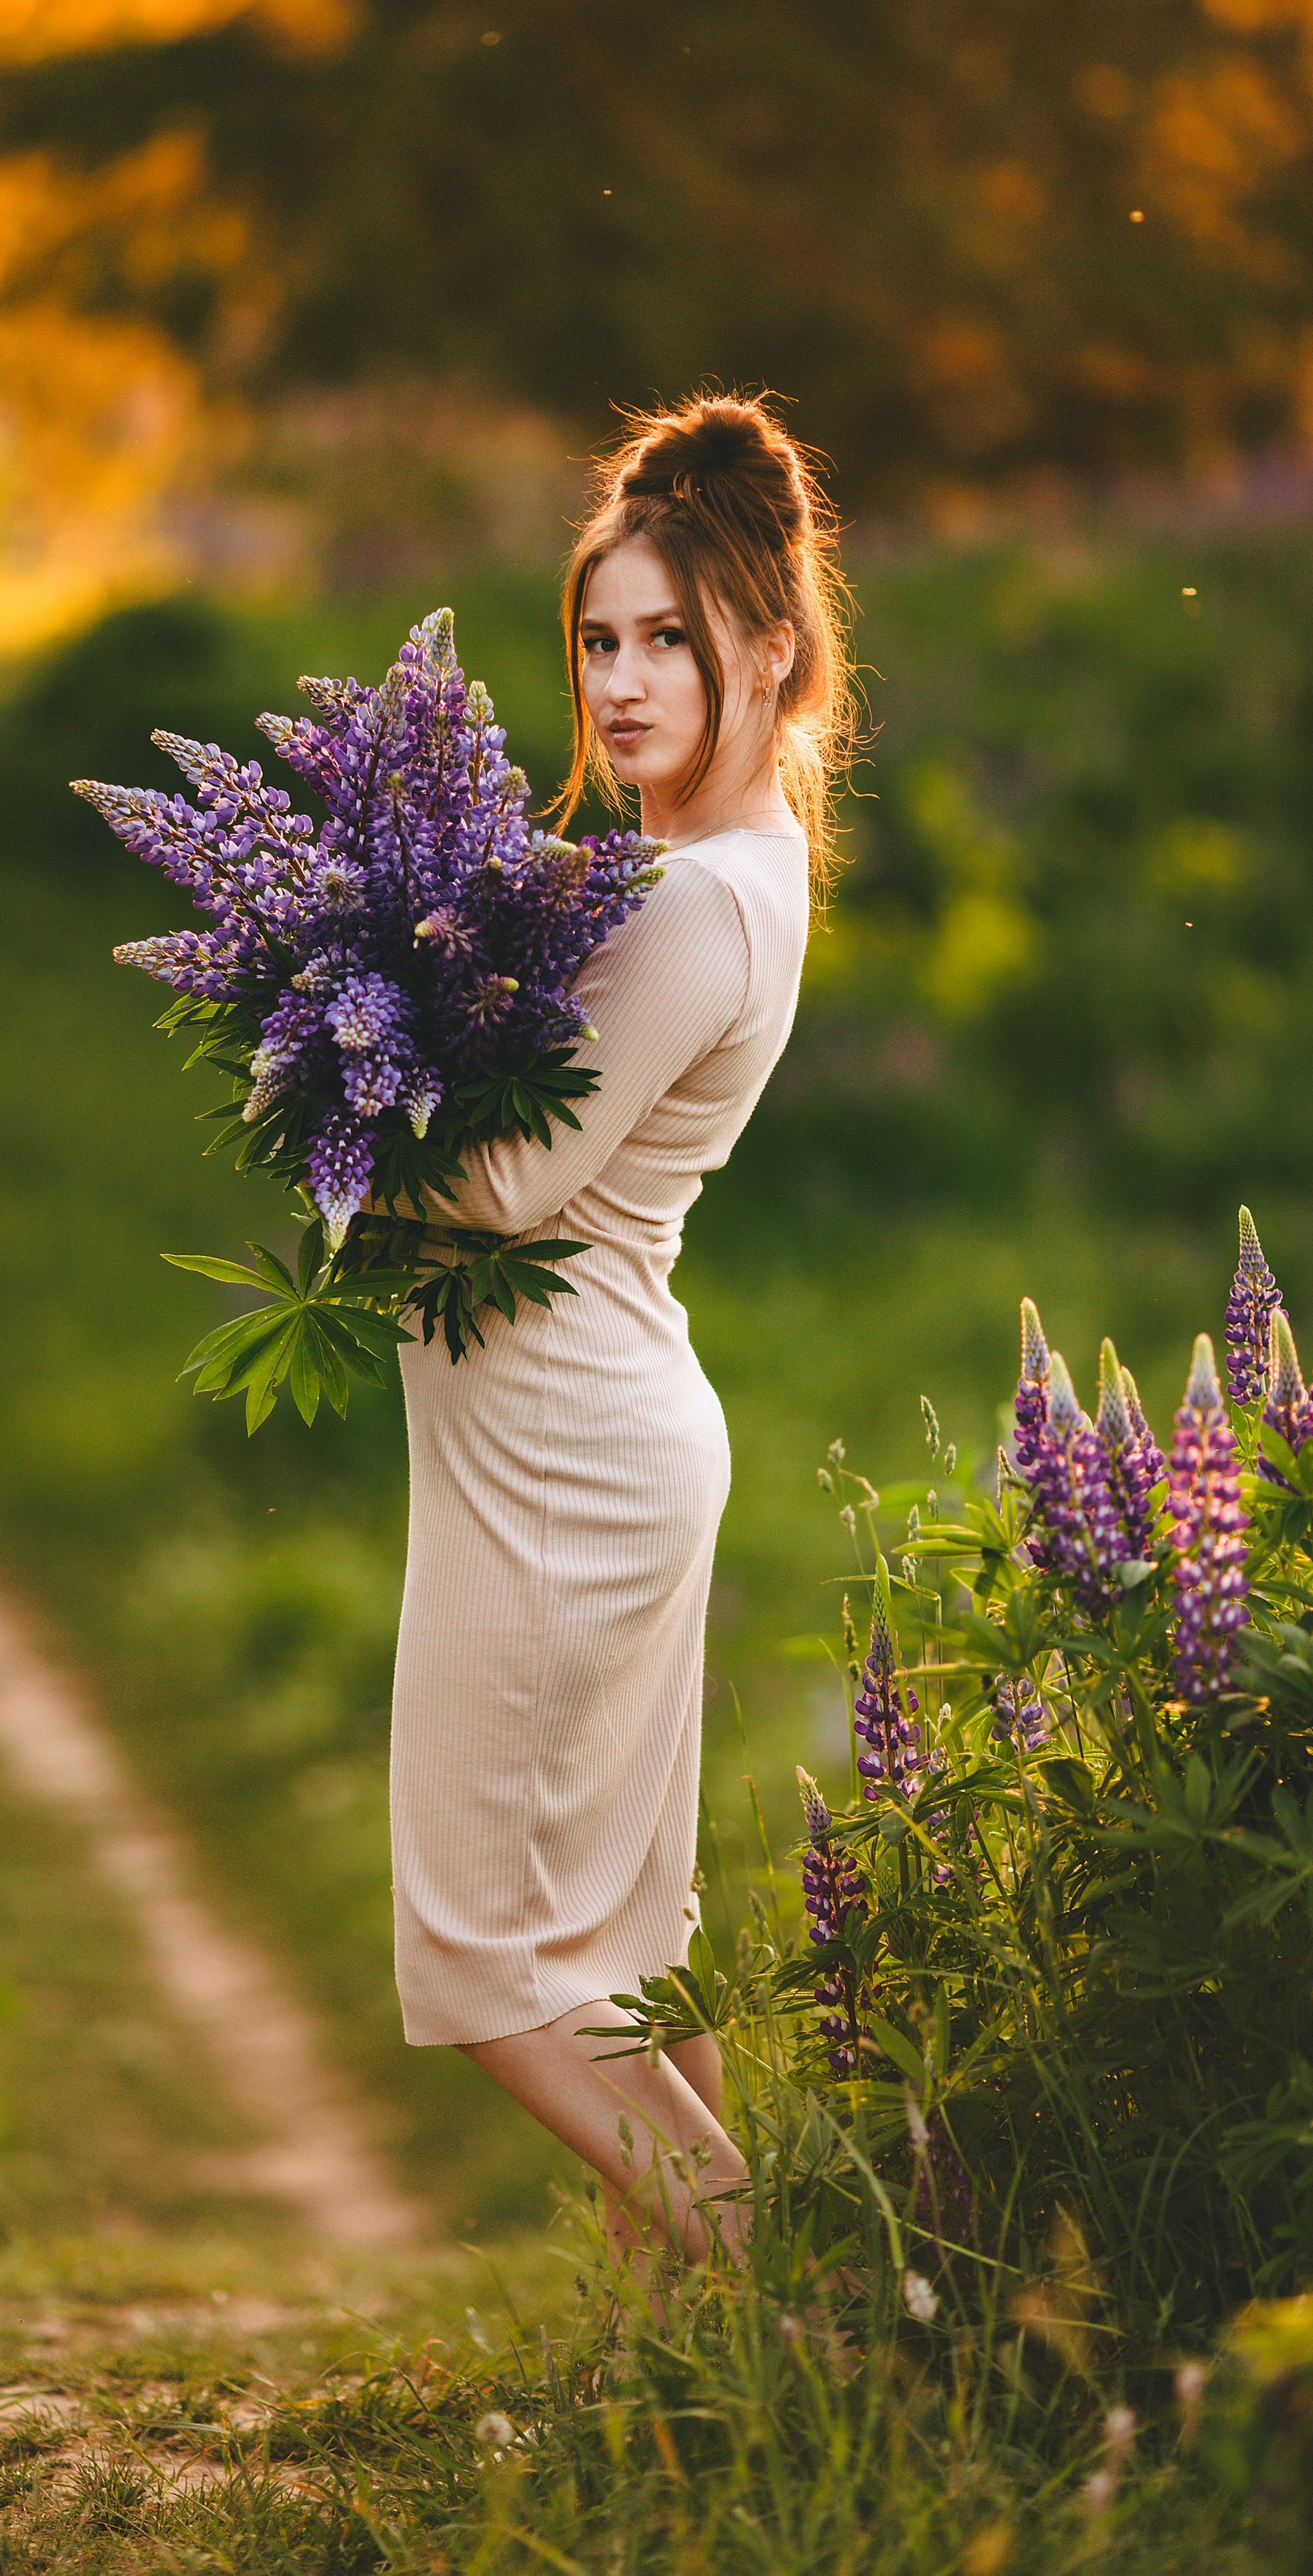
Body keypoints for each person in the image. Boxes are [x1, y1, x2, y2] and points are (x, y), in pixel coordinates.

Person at [388, 391, 855, 2269]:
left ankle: (775, 2283)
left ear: (768, 648)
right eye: (597, 640)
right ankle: (714, 2365)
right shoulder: (730, 874)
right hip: (589, 1425)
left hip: (568, 1453)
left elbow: (502, 1183)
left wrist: (333, 1118)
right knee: (614, 1941)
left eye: (669, 638)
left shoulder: (690, 897)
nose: (624, 680)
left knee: (486, 1958)